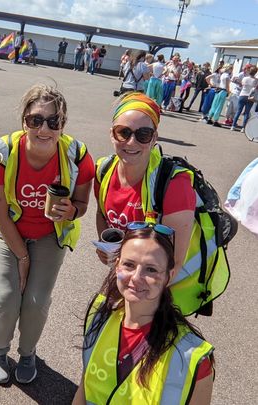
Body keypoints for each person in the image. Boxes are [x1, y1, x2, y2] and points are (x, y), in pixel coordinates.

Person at [0, 84, 95, 385]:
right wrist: (21, 255)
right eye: (36, 120)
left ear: (63, 124)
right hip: (4, 231)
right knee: (8, 296)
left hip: (49, 234)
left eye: (53, 121)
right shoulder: (3, 152)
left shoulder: (78, 155)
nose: (44, 128)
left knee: (36, 301)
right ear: (24, 120)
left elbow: (83, 203)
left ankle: (27, 353)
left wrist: (72, 211)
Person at [95, 92, 228, 316]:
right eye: (123, 132)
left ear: (155, 137)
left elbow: (175, 261)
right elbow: (102, 213)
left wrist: (138, 303)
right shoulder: (104, 169)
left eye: (143, 134)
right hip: (128, 278)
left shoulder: (174, 184)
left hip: (163, 288)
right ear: (112, 134)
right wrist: (107, 248)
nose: (131, 142)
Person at [73, 224, 214, 404]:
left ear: (168, 276)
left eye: (151, 269)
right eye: (129, 265)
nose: (136, 278)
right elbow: (84, 388)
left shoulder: (193, 359)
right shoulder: (99, 314)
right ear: (117, 266)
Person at [231, 66, 258, 132]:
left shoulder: (245, 78)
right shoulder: (256, 80)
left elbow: (242, 85)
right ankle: (243, 128)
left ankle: (233, 126)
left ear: (249, 71)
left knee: (238, 111)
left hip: (242, 95)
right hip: (250, 97)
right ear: (255, 72)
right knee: (247, 112)